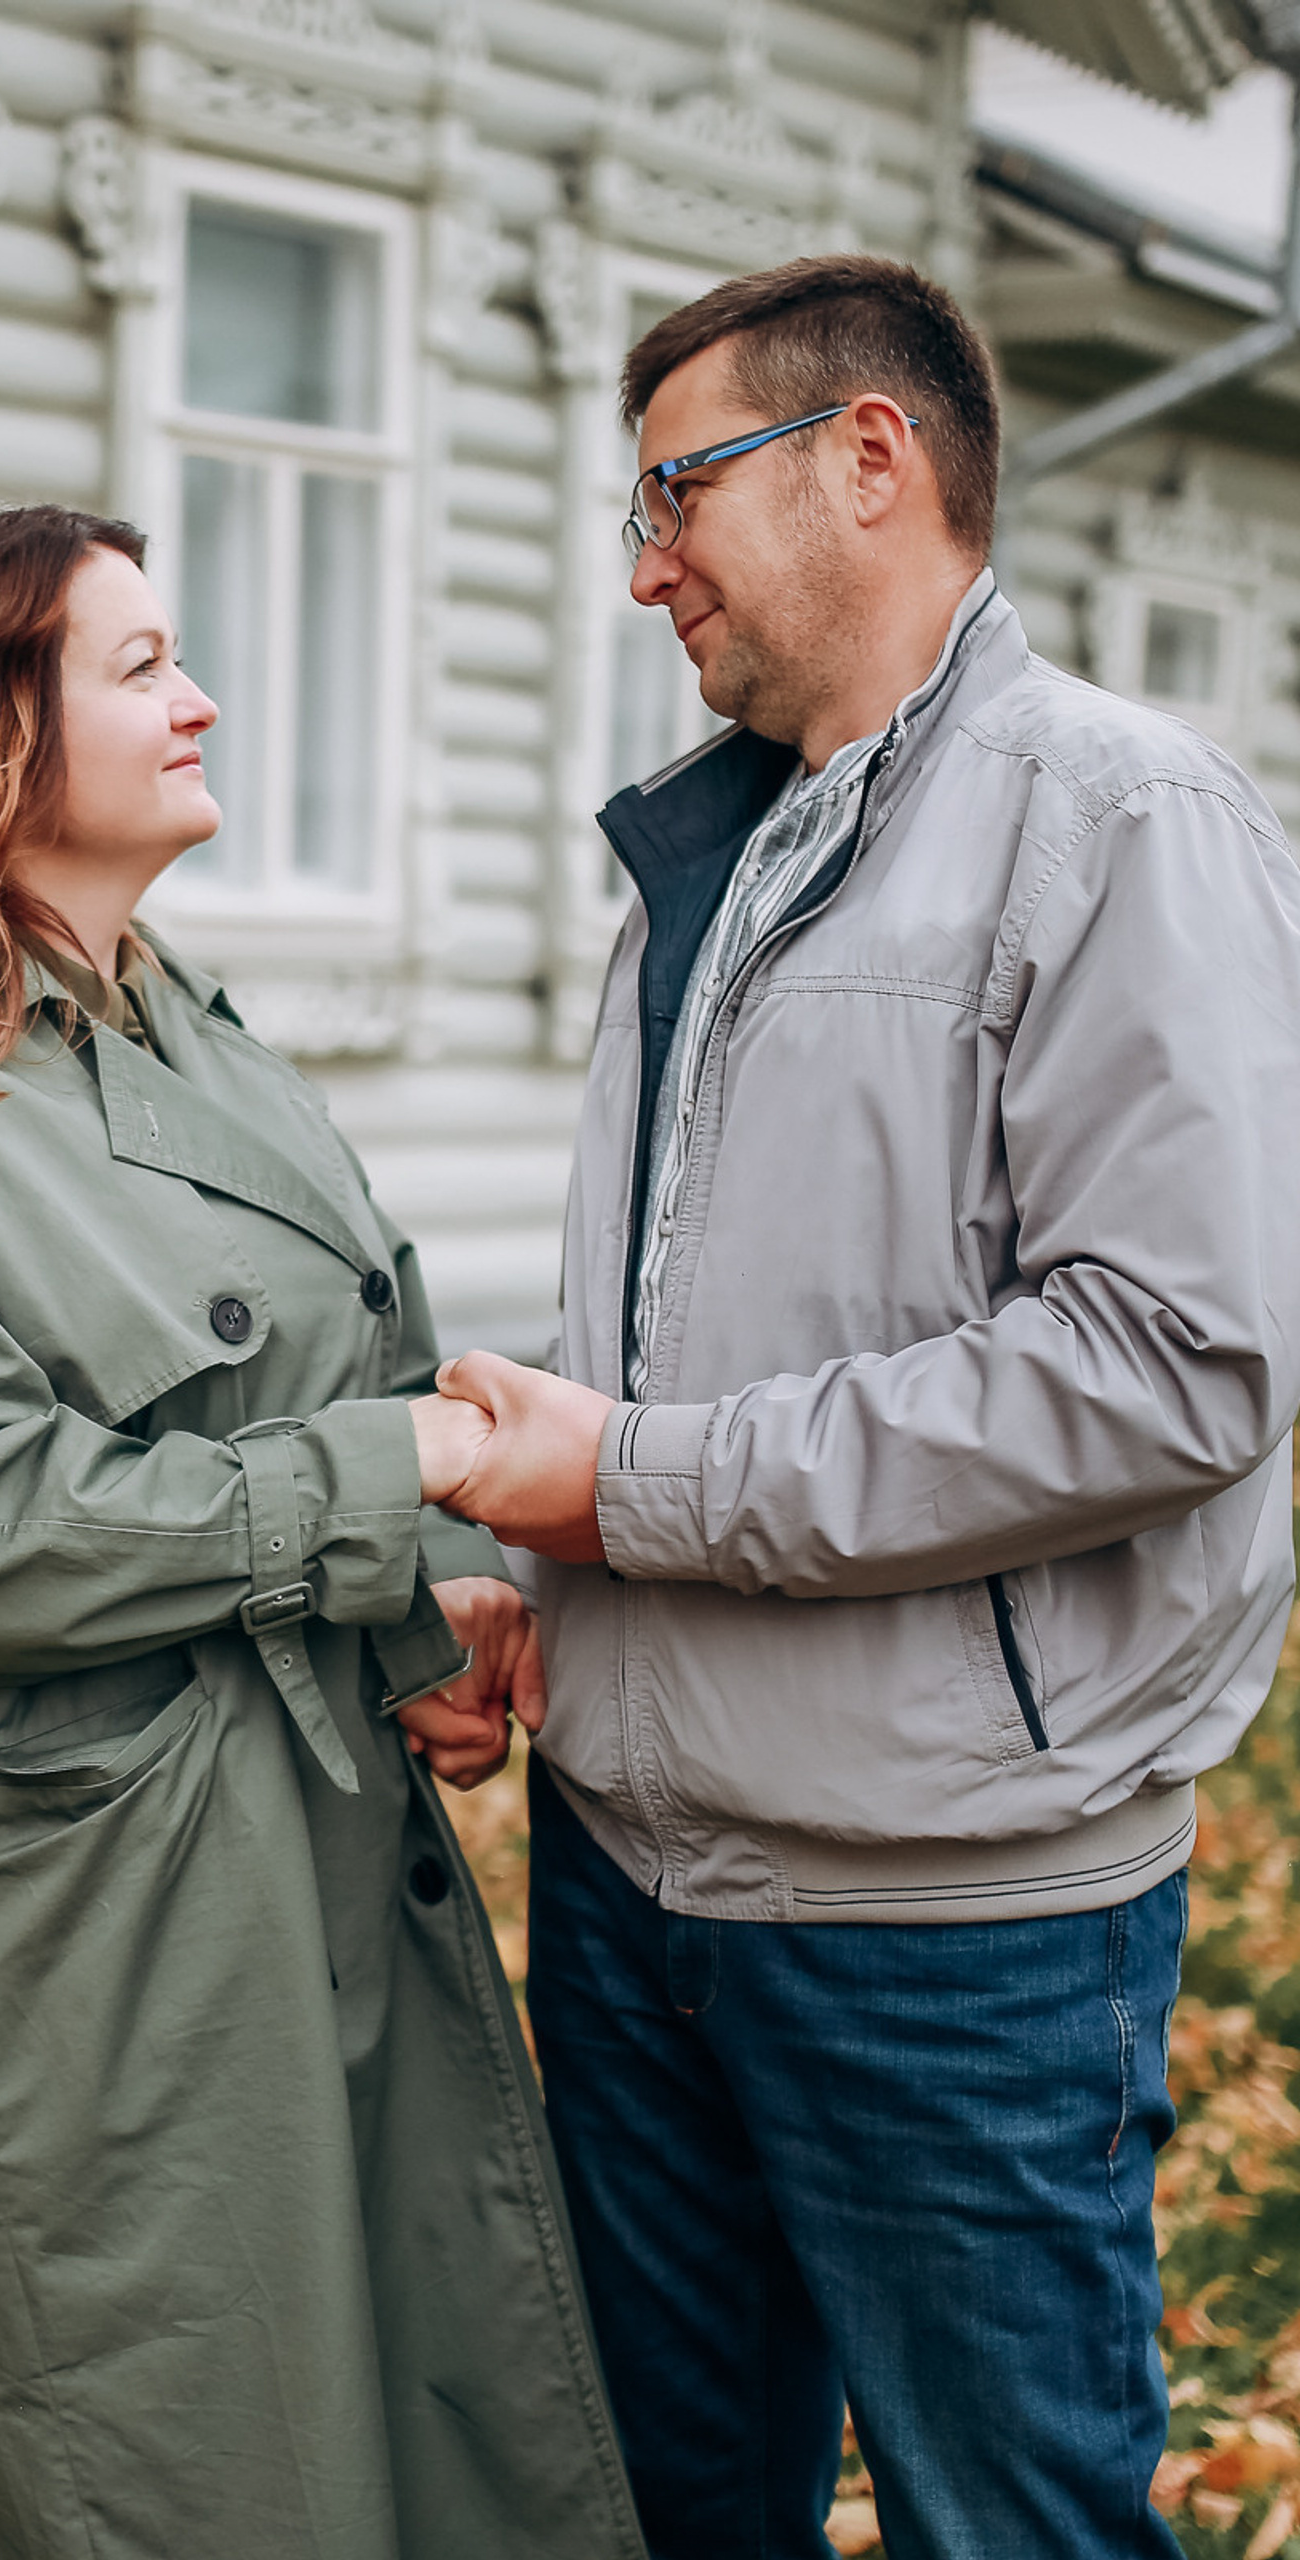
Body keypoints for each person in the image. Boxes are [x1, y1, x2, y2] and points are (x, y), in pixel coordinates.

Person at [425, 254, 1300, 2559]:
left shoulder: (1123, 819)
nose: (640, 567)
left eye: (670, 494)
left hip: (953, 1927)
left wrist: (627, 1484)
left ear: (868, 459)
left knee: (1003, 2522)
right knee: (664, 2516)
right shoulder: (695, 860)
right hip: (629, 1890)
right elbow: (710, 1322)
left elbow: (1171, 1361)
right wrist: (554, 1589)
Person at [0, 505, 643, 2560]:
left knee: (415, 2427)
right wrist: (388, 1477)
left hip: (320, 1835)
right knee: (173, 2456)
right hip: (88, 1893)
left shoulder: (196, 1034)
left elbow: (323, 1371)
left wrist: (425, 1635)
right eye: (136, 665)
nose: (198, 695)